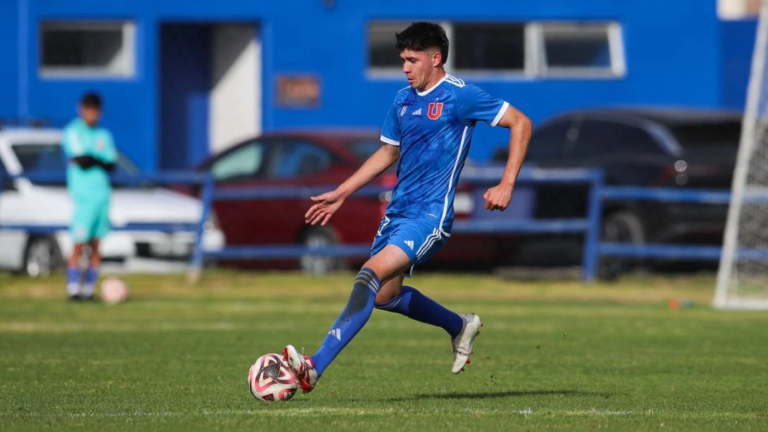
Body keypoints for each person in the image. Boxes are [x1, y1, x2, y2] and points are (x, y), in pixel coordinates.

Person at [282, 22, 532, 393]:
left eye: (412, 60)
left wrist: (507, 182)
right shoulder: (402, 100)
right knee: (384, 295)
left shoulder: (460, 96)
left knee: (368, 274)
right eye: (403, 60)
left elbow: (520, 122)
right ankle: (459, 326)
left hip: (430, 215)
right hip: (397, 214)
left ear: (436, 58)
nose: (405, 67)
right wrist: (343, 191)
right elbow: (388, 151)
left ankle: (314, 365)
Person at [62, 92, 117, 301]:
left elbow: (111, 164)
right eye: (88, 109)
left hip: (102, 196)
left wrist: (92, 158)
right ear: (81, 109)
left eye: (95, 110)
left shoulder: (104, 135)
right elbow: (81, 159)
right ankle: (73, 288)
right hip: (83, 197)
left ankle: (89, 290)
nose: (91, 114)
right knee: (78, 243)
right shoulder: (73, 131)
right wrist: (96, 160)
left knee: (96, 244)